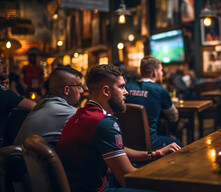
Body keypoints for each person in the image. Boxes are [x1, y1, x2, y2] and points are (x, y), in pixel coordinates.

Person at [56, 64, 180, 192]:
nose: (126, 92)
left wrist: (155, 154)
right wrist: (167, 176)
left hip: (82, 183)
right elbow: (127, 177)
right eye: (121, 87)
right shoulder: (104, 122)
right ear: (106, 91)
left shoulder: (81, 114)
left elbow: (117, 149)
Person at [14, 66, 83, 148]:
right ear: (66, 90)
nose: (82, 91)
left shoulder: (42, 104)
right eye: (79, 86)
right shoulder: (67, 112)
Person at [125, 56, 183, 149]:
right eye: (161, 70)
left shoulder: (126, 87)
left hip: (125, 142)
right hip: (150, 142)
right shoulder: (160, 90)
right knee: (179, 146)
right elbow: (174, 117)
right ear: (155, 73)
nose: (162, 73)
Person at [0, 56, 36, 147]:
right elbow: (35, 106)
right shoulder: (5, 94)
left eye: (3, 63)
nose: (4, 66)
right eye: (0, 63)